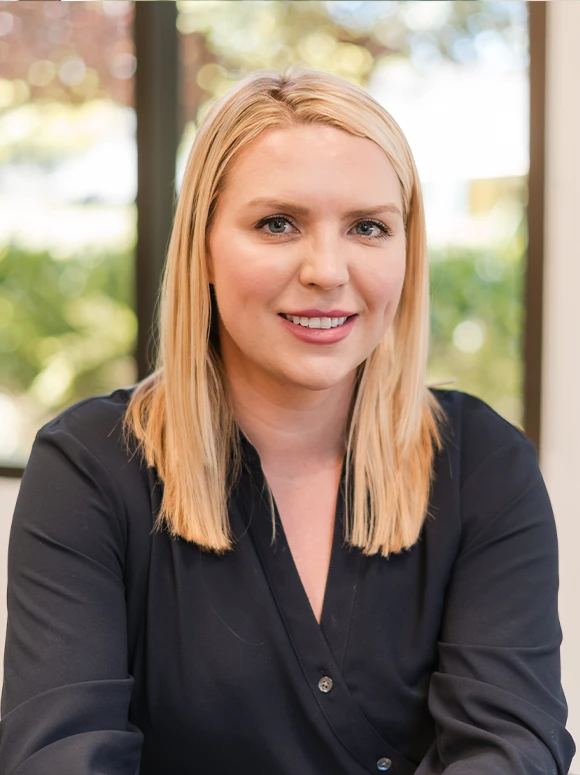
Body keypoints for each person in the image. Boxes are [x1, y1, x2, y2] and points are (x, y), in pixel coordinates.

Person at [0, 64, 575, 775]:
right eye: (278, 224)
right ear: (203, 248)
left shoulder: (484, 465)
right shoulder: (88, 468)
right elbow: (60, 756)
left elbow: (510, 749)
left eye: (368, 227)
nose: (327, 270)